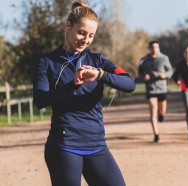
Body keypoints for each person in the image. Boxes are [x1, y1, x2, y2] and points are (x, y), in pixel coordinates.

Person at [33, 1, 135, 185]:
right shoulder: (47, 62)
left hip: (97, 145)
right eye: (81, 33)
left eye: (91, 35)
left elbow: (129, 83)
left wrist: (100, 75)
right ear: (68, 27)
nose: (85, 40)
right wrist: (73, 85)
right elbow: (40, 100)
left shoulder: (98, 61)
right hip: (64, 146)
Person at [138, 41, 173, 143]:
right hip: (150, 88)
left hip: (162, 88)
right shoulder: (144, 60)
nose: (154, 49)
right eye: (152, 47)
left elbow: (170, 71)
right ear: (149, 48)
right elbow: (140, 71)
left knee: (162, 110)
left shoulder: (164, 58)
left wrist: (165, 75)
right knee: (153, 109)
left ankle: (161, 114)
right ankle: (156, 134)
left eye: (156, 47)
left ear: (159, 48)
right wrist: (144, 76)